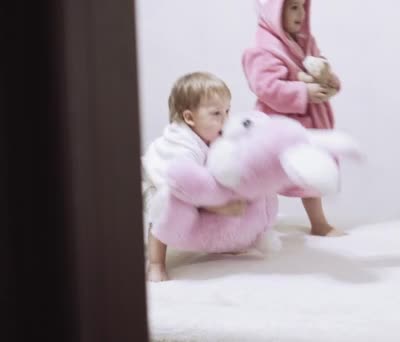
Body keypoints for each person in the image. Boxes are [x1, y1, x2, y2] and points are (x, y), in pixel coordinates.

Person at [242, 0, 344, 237]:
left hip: (310, 124)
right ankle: (252, 223)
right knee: (264, 178)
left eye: (302, 7)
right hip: (278, 128)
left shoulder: (306, 41)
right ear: (274, 10)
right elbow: (266, 87)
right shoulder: (263, 48)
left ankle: (319, 223)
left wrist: (329, 81)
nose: (300, 13)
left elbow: (321, 68)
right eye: (293, 7)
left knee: (310, 175)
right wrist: (302, 92)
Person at [141, 71, 246, 282]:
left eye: (227, 111)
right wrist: (219, 207)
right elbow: (184, 186)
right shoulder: (181, 145)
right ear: (189, 118)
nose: (226, 120)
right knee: (162, 209)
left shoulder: (208, 137)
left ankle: (223, 243)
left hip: (183, 187)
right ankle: (155, 263)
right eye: (216, 113)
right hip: (155, 185)